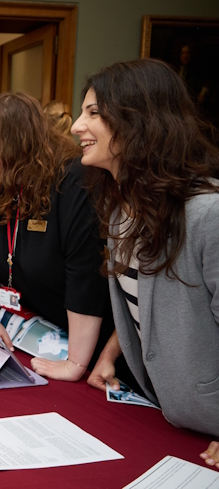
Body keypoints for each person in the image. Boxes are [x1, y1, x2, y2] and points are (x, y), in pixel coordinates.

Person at [72, 59, 219, 469]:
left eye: (93, 113)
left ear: (138, 120)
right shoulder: (121, 210)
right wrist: (110, 353)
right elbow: (149, 299)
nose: (75, 127)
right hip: (165, 410)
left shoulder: (209, 213)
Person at [0, 92, 111, 382]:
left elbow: (86, 276)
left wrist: (76, 363)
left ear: (15, 137)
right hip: (35, 335)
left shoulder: (72, 182)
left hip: (89, 347)